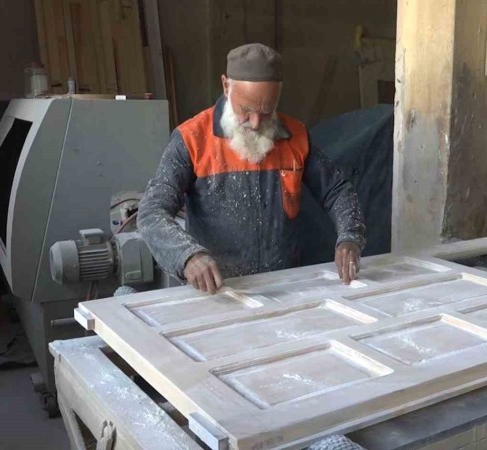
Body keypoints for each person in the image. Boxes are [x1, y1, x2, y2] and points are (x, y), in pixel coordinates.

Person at [137, 43, 365, 294]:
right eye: (246, 110)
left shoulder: (296, 136)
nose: (256, 124)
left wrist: (349, 236)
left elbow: (337, 191)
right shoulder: (192, 139)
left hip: (284, 287)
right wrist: (187, 256)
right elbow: (151, 212)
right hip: (217, 291)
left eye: (267, 111)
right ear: (226, 86)